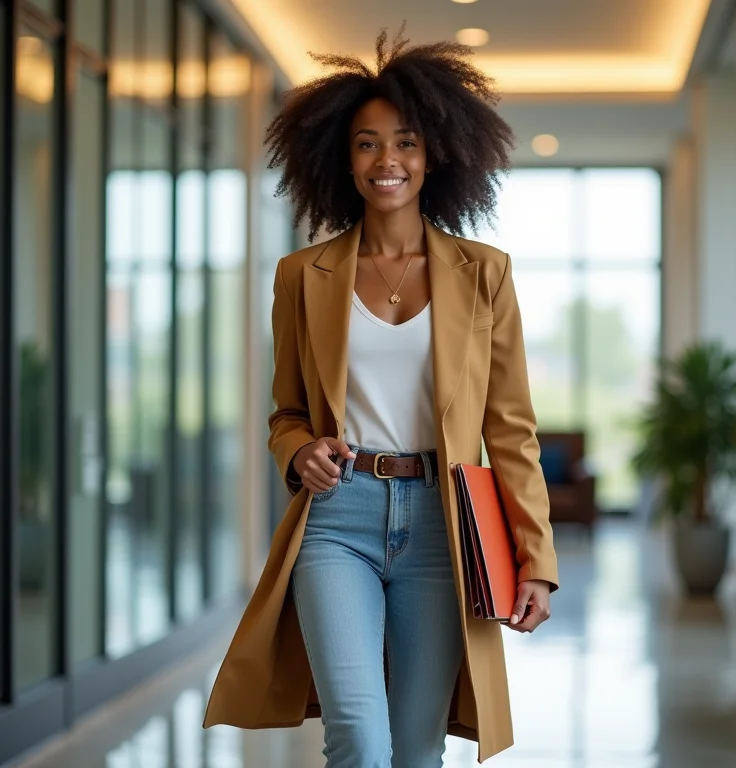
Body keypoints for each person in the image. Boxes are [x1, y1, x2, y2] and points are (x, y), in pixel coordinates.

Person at [203, 25, 559, 767]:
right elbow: (286, 412)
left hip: (443, 521)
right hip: (338, 521)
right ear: (343, 157)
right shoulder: (303, 276)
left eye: (404, 142)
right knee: (358, 736)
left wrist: (536, 559)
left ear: (435, 155)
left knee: (419, 748)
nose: (386, 160)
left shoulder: (484, 273)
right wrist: (300, 451)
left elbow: (512, 428)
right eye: (367, 143)